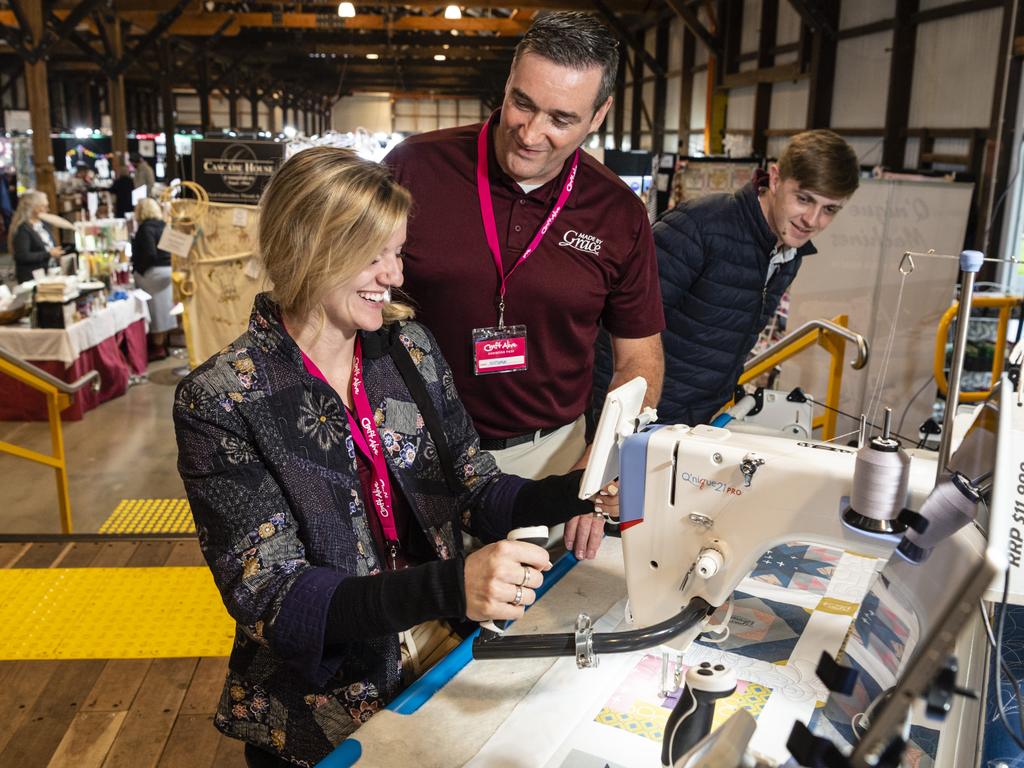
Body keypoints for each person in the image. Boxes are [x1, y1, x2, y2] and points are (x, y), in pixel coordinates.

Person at [174, 147, 615, 767]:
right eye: (372, 256)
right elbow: (275, 596)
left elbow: (474, 486)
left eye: (398, 252)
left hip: (440, 659)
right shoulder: (222, 398)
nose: (394, 275)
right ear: (306, 248)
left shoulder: (405, 348)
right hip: (317, 710)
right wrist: (451, 586)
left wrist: (578, 492)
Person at [386, 11, 664, 558]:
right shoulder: (414, 168)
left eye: (561, 118)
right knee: (409, 629)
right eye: (522, 103)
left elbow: (640, 361)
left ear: (599, 115)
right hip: (413, 452)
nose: (532, 134)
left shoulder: (618, 213)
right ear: (508, 82)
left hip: (548, 462)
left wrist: (597, 470)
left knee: (526, 632)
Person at [654, 129, 860, 426]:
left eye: (829, 209)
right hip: (645, 419)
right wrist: (619, 428)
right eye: (803, 199)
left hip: (697, 422)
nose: (812, 221)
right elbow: (618, 329)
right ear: (775, 179)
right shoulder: (698, 227)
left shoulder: (788, 253)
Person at [131, 198, 174, 360]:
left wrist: (138, 270)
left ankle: (155, 346)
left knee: (153, 308)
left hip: (154, 272)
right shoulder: (164, 226)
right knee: (163, 308)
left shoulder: (145, 228)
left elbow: (149, 253)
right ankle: (162, 344)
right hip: (168, 271)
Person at [9, 191, 63, 283]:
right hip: (32, 278)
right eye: (44, 206)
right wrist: (49, 254)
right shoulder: (23, 229)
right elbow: (22, 256)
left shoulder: (43, 224)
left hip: (49, 274)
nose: (48, 209)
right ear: (34, 208)